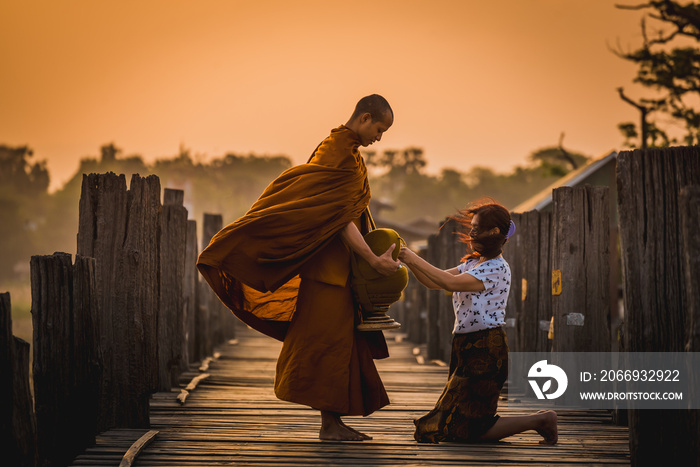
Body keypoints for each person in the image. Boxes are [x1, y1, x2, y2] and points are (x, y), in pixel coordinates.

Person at [197, 94, 401, 441]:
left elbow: (340, 212)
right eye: (379, 129)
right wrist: (371, 259)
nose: (379, 138)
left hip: (338, 271)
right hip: (326, 273)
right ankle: (329, 426)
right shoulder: (336, 151)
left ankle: (332, 423)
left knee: (340, 344)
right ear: (365, 118)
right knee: (325, 344)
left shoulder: (347, 152)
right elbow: (337, 218)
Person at [398, 199, 558, 445]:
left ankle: (541, 420)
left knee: (472, 428)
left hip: (486, 348)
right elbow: (434, 281)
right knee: (455, 427)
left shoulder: (496, 268)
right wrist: (407, 260)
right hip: (464, 346)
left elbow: (449, 283)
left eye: (475, 228)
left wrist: (410, 255)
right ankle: (540, 419)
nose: (471, 233)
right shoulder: (474, 263)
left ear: (494, 232)